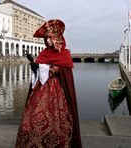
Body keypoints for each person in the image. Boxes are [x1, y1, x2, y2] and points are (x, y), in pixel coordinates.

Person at [15, 19, 82, 148]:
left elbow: (58, 69)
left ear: (57, 38)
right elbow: (41, 68)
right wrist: (35, 65)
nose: (47, 41)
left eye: (50, 38)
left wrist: (41, 67)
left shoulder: (64, 53)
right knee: (33, 118)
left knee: (57, 120)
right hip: (41, 88)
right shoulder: (44, 52)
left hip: (57, 89)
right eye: (46, 38)